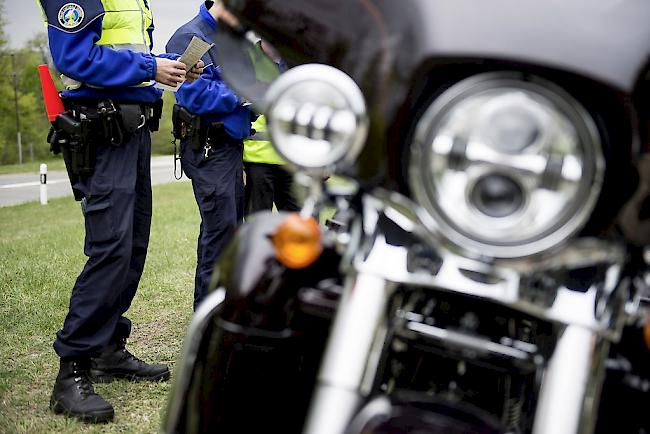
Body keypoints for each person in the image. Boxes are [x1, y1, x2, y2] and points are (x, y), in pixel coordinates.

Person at [38, 0, 201, 424]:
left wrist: (172, 66)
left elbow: (130, 54)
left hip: (132, 129)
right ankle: (71, 368)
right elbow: (75, 57)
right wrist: (151, 68)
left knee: (132, 246)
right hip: (101, 129)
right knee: (110, 247)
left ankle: (108, 348)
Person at [166, 0, 253, 310]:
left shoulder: (232, 39)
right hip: (208, 147)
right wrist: (244, 92)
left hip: (230, 148)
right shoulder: (189, 37)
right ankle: (208, 315)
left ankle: (224, 307)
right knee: (219, 233)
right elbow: (194, 94)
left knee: (230, 231)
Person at [243, 40, 300, 215]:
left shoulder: (300, 61)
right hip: (256, 162)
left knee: (301, 228)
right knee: (257, 227)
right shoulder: (245, 59)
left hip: (295, 161)